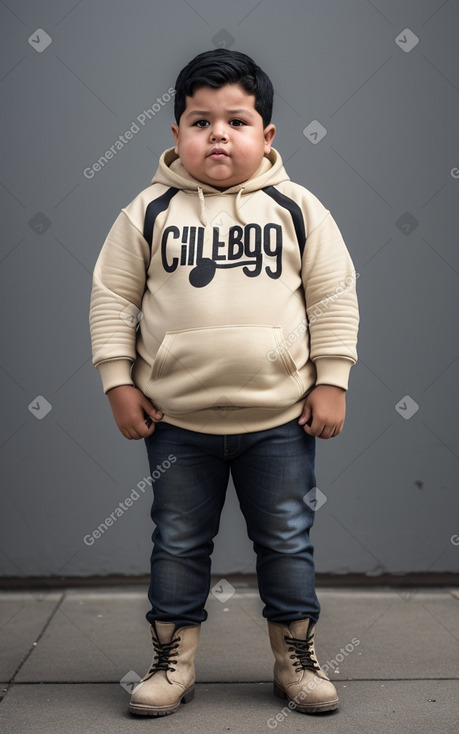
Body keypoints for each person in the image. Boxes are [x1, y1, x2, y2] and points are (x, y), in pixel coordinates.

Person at [89, 48, 359, 718]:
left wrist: (332, 381)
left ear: (265, 136)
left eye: (235, 121)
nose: (216, 133)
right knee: (178, 541)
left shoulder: (297, 208)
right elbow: (112, 300)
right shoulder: (147, 212)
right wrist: (117, 381)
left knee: (287, 539)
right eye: (198, 120)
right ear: (174, 134)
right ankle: (171, 660)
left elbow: (332, 299)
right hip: (176, 420)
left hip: (280, 421)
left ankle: (294, 659)